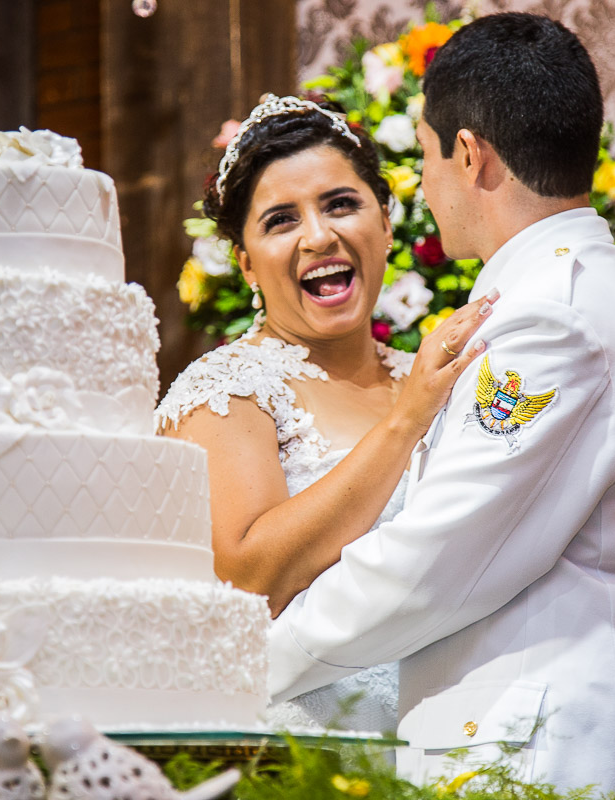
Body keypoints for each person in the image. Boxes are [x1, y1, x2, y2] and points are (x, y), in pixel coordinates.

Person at [266, 13, 615, 797]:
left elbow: (437, 557)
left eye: (425, 156)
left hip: (545, 741)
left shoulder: (553, 315)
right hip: (520, 726)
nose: (425, 185)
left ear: (470, 154)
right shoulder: (561, 289)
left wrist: (253, 666)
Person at [156, 94, 496, 731]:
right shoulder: (228, 391)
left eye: (341, 204)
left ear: (387, 223)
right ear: (246, 263)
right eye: (281, 220)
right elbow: (248, 585)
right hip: (302, 756)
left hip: (450, 739)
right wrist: (405, 424)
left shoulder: (430, 372)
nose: (319, 236)